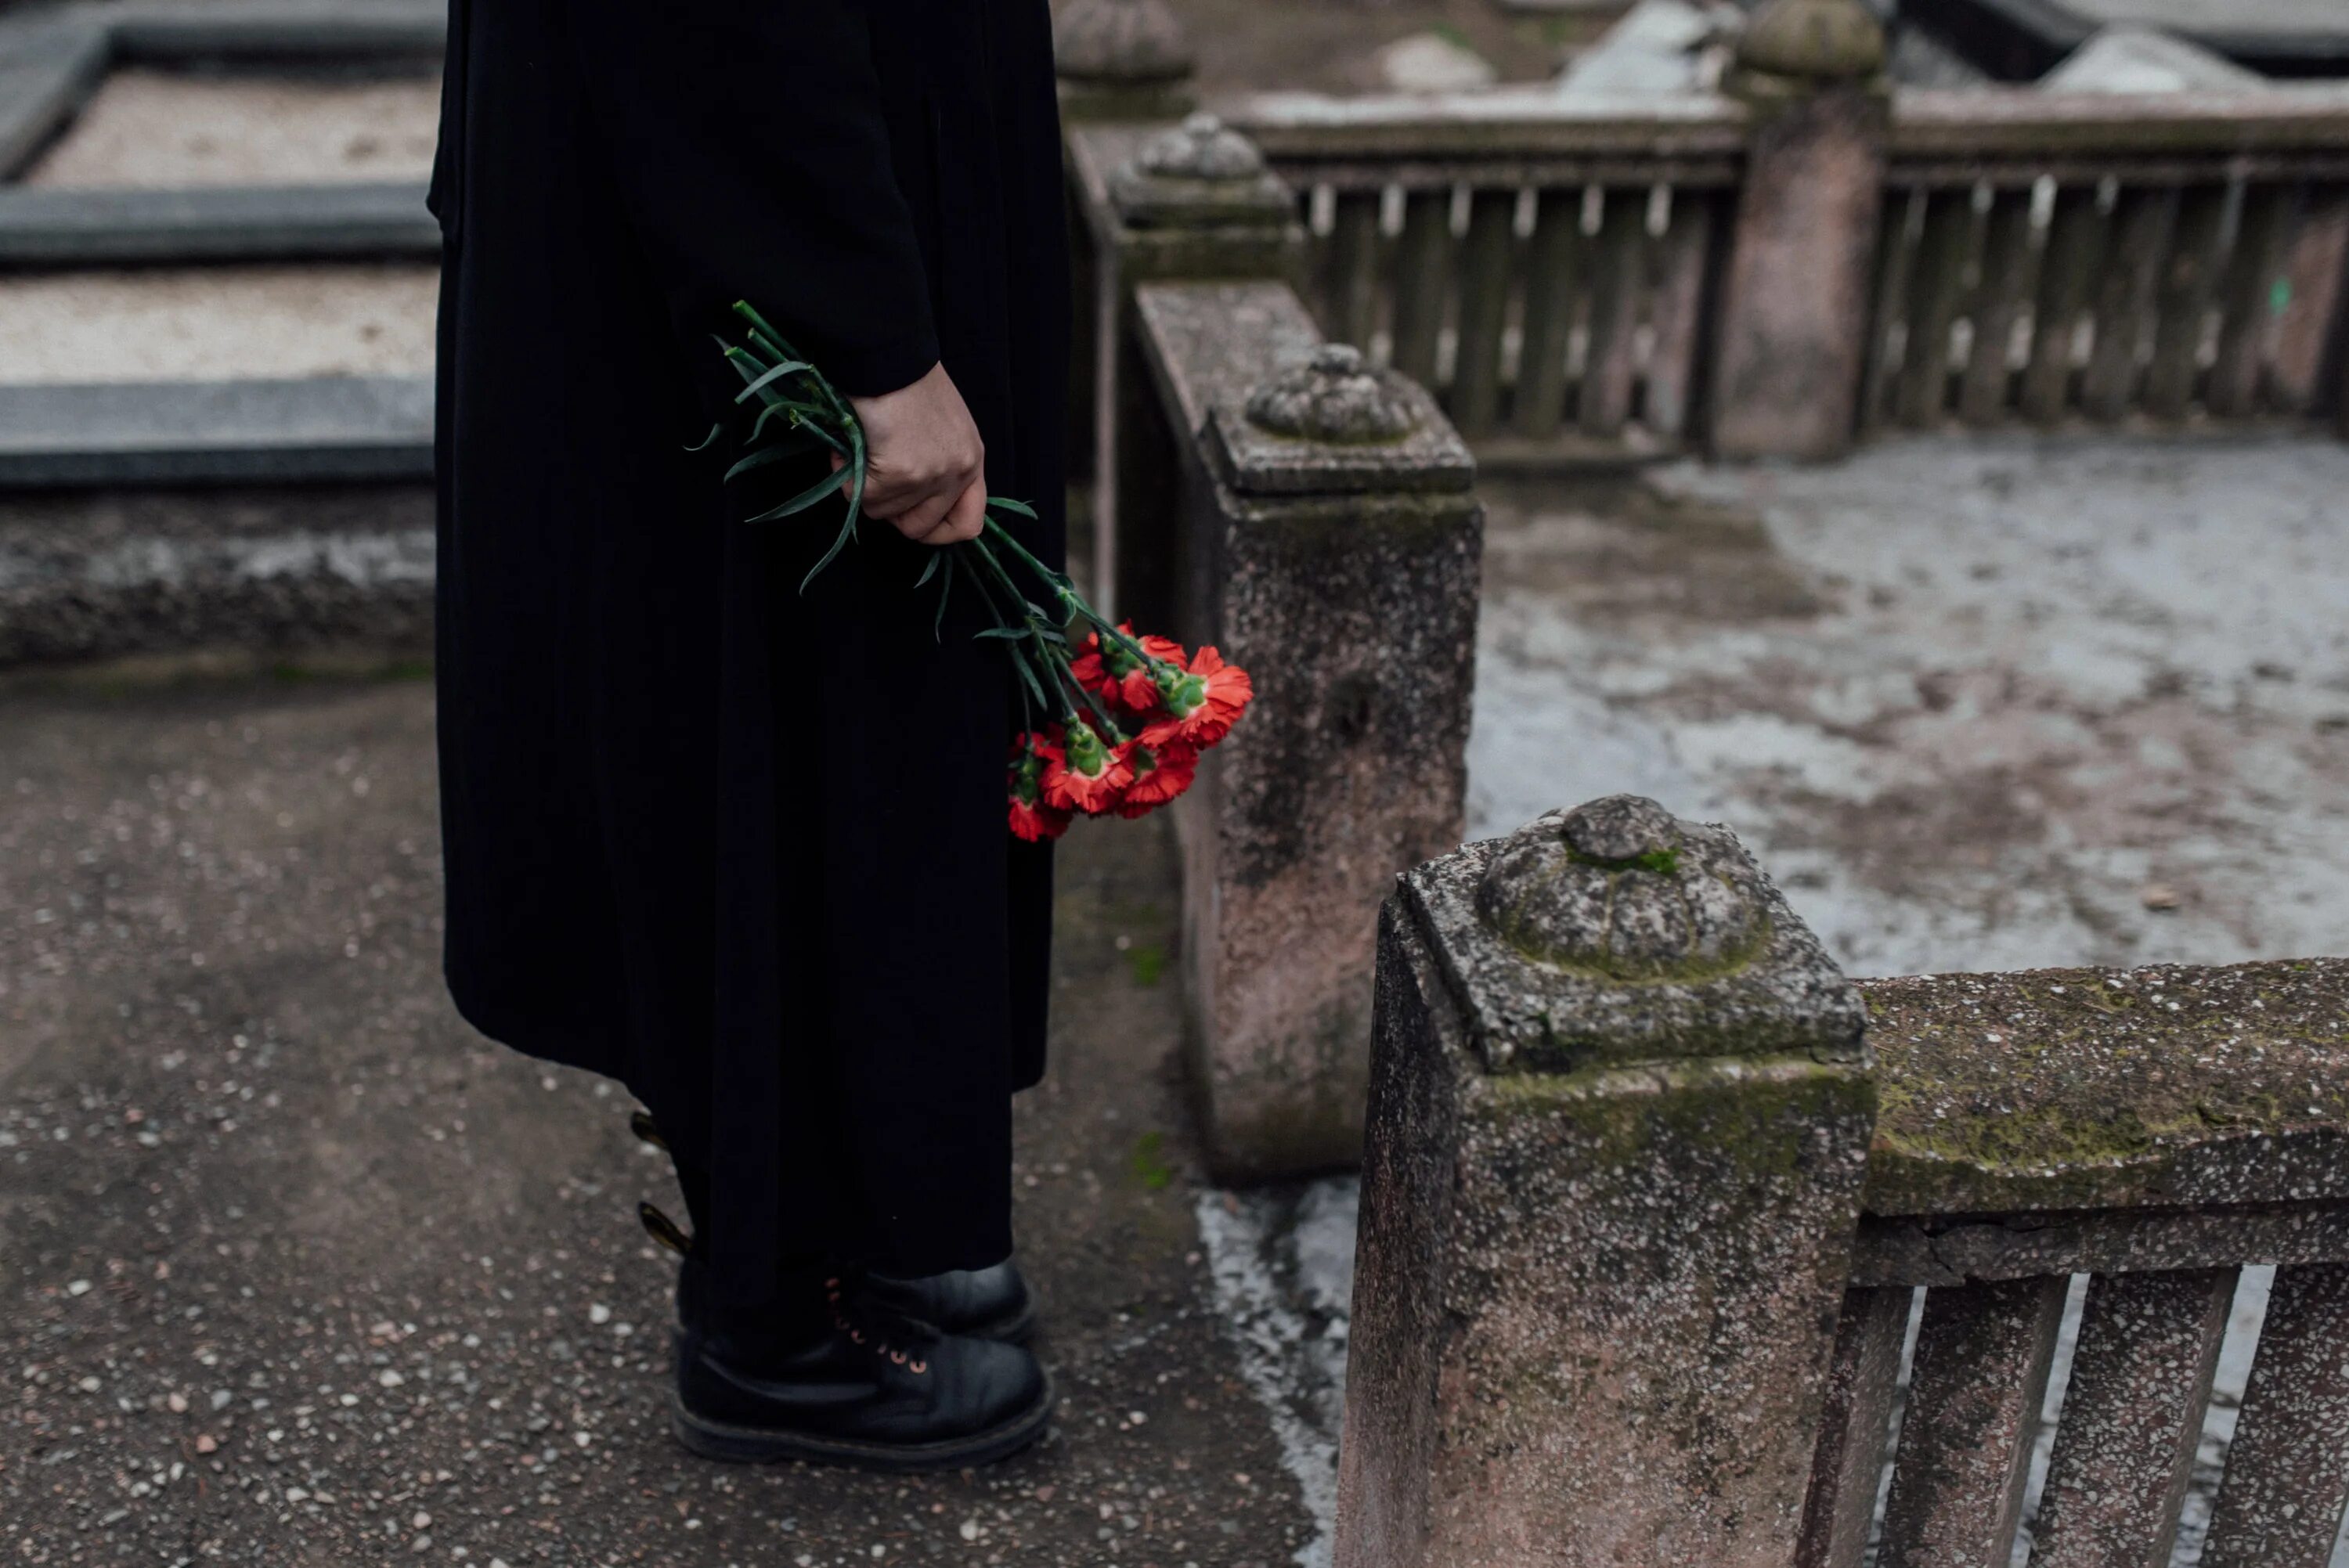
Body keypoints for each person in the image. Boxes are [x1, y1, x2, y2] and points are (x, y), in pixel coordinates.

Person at [427, 0, 1067, 1470]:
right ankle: (778, 1316)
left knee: (864, 713)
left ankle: (869, 1206)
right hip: (741, 209)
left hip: (825, 148)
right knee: (772, 715)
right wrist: (867, 335)